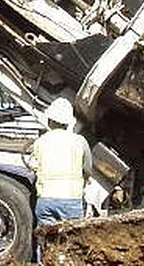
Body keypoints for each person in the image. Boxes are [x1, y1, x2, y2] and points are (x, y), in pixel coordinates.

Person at [26, 97, 93, 226]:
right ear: (68, 123)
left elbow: (33, 165)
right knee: (72, 241)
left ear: (50, 120)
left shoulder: (40, 142)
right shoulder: (79, 141)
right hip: (72, 200)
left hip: (46, 199)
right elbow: (87, 170)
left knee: (47, 240)